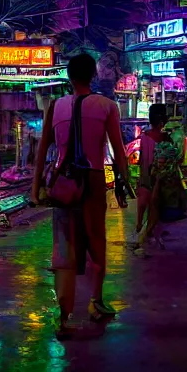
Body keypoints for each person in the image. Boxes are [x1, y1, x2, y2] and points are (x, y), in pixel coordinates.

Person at [30, 53, 131, 339]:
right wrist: (126, 183)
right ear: (94, 75)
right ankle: (96, 301)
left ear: (68, 75)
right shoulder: (107, 106)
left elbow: (42, 153)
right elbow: (118, 153)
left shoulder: (55, 105)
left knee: (64, 246)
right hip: (94, 179)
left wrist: (34, 188)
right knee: (96, 239)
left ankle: (63, 316)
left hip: (63, 181)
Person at [131, 104, 182, 258]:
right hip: (159, 180)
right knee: (155, 210)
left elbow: (142, 161)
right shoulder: (165, 138)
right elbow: (173, 160)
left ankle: (142, 231)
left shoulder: (144, 136)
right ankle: (145, 236)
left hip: (146, 177)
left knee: (144, 207)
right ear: (162, 122)